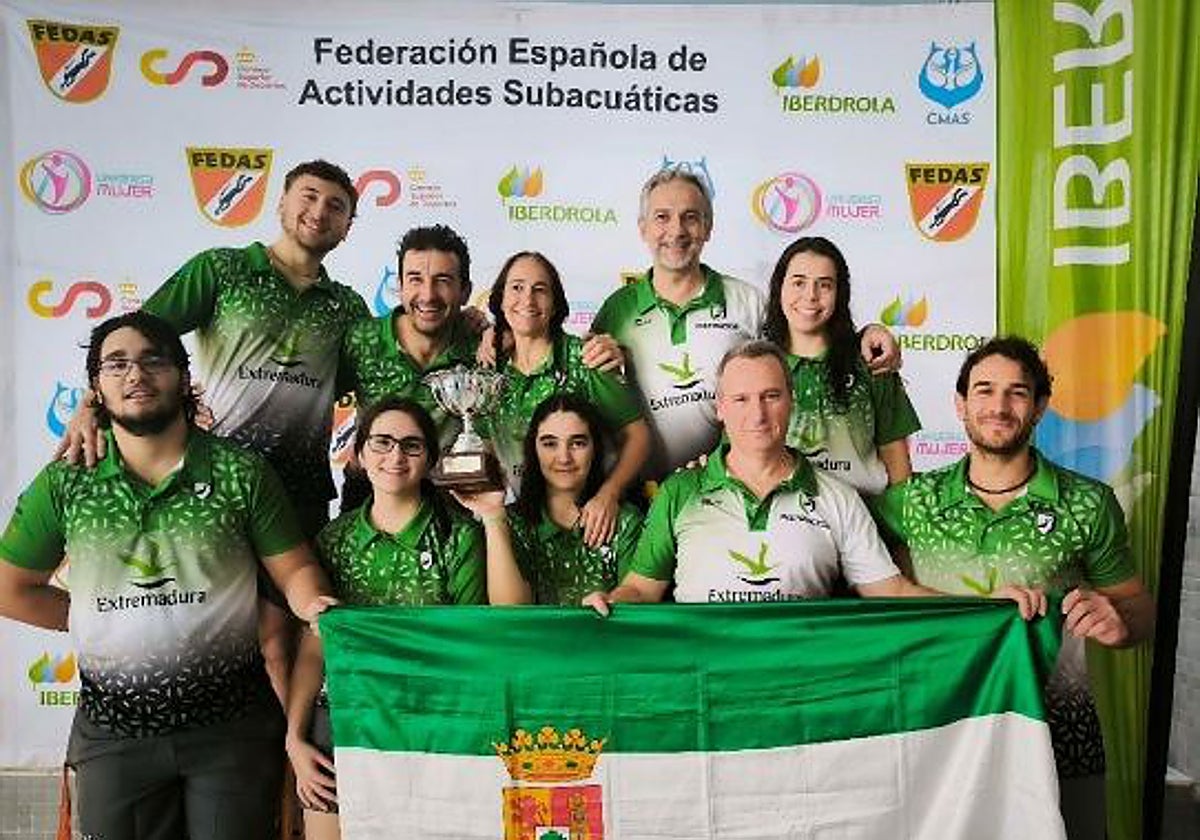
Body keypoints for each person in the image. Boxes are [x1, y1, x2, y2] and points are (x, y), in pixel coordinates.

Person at [0, 312, 335, 840]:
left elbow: (294, 571)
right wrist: (93, 617)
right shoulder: (66, 482)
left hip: (232, 729)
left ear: (183, 375)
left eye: (154, 359)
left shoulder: (238, 471)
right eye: (116, 364)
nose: (136, 374)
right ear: (95, 388)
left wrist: (312, 602)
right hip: (115, 735)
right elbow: (10, 589)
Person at [873, 336, 1155, 839]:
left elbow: (1138, 609)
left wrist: (1121, 621)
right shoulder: (910, 504)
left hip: (1059, 738)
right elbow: (864, 584)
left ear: (1041, 406)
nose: (998, 407)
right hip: (940, 736)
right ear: (960, 404)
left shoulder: (1088, 503)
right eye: (983, 391)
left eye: (1017, 393)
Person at [583, 341, 1044, 615]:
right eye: (740, 399)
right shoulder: (680, 491)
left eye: (770, 396)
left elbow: (892, 592)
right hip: (702, 693)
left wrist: (984, 611)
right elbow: (643, 589)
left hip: (801, 701)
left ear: (790, 402)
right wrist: (607, 602)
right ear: (719, 409)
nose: (757, 413)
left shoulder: (837, 497)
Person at [285, 396, 528, 839]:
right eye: (382, 442)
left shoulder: (458, 537)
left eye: (412, 446)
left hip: (433, 724)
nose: (395, 456)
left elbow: (474, 641)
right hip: (344, 720)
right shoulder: (334, 540)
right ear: (359, 454)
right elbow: (315, 643)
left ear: (432, 460)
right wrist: (295, 736)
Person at [590, 169, 902, 480]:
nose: (677, 230)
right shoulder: (617, 310)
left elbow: (805, 341)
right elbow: (595, 394)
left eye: (690, 217)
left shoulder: (747, 302)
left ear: (708, 227)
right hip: (635, 490)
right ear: (642, 228)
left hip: (726, 488)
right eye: (662, 217)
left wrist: (868, 334)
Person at [485, 251, 650, 545]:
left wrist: (608, 495)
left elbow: (637, 436)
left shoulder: (586, 359)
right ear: (499, 298)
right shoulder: (488, 374)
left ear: (555, 303)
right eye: (517, 287)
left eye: (540, 289)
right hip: (523, 528)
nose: (528, 300)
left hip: (591, 524)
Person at [764, 236, 920, 494]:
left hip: (868, 518)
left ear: (839, 293)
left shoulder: (872, 361)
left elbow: (898, 467)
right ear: (779, 286)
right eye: (799, 282)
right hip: (787, 523)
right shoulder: (759, 367)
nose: (810, 296)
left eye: (824, 285)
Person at [508, 394, 643, 604]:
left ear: (595, 448)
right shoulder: (511, 523)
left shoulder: (626, 521)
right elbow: (508, 615)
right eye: (550, 443)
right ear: (533, 449)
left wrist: (613, 600)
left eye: (577, 443)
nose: (564, 458)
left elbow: (638, 601)